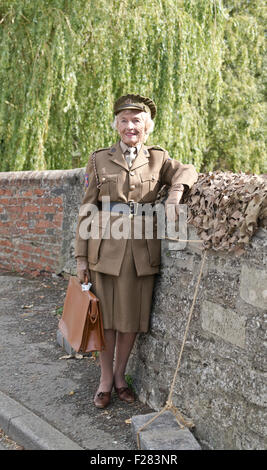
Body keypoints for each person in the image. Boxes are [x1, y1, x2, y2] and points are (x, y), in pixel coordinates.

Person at [75, 94, 198, 408]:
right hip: (103, 250)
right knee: (105, 322)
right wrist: (80, 257)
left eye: (137, 120)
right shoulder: (99, 159)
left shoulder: (158, 159)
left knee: (130, 320)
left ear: (148, 126)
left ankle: (120, 376)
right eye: (124, 120)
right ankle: (104, 380)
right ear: (116, 124)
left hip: (141, 252)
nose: (131, 126)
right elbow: (87, 209)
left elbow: (187, 171)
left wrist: (174, 195)